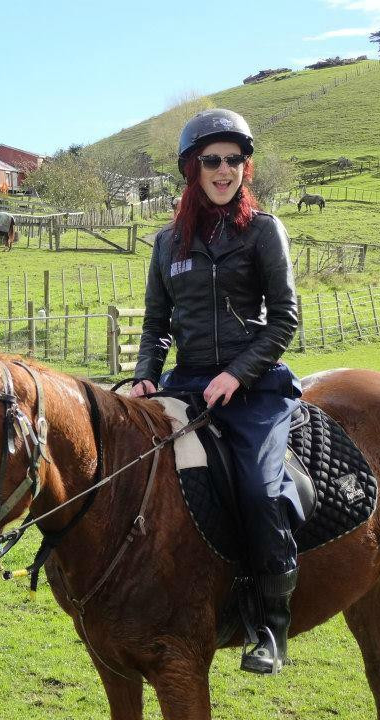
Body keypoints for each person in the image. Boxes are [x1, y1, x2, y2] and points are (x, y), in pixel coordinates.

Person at [130, 108, 302, 675]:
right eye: (213, 160)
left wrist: (239, 372)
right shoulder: (166, 242)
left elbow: (284, 318)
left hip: (254, 387)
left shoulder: (263, 230)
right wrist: (145, 374)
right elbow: (156, 324)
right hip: (187, 383)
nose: (225, 169)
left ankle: (270, 626)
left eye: (234, 159)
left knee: (256, 488)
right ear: (192, 169)